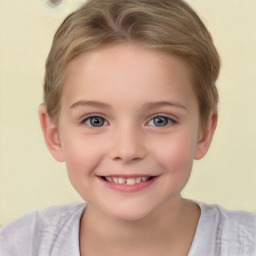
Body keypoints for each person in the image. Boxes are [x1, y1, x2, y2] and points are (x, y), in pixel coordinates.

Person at [1, 0, 255, 255]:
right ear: (54, 135)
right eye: (95, 120)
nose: (127, 150)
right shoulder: (17, 246)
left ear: (204, 132)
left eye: (160, 120)